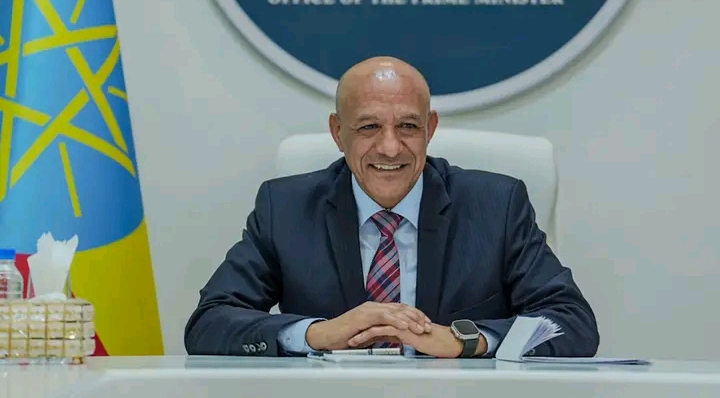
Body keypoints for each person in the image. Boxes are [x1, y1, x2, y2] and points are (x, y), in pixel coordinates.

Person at [184, 57, 599, 358]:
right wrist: (317, 334)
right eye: (369, 127)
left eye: (408, 126)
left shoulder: (496, 206)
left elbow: (572, 322)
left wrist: (464, 340)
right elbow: (209, 323)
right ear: (338, 132)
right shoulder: (286, 208)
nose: (390, 147)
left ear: (430, 129)